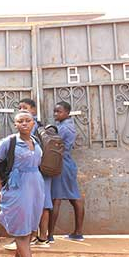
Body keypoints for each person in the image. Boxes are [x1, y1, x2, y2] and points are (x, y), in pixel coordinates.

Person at [0, 111, 44, 257]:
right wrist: (1, 187)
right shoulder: (9, 142)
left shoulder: (36, 141)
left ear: (34, 123)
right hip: (17, 189)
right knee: (21, 232)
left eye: (28, 121)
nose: (25, 124)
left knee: (32, 230)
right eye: (20, 121)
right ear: (15, 124)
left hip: (36, 187)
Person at [14, 98, 52, 249]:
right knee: (38, 203)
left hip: (38, 171)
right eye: (19, 108)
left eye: (25, 108)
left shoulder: (32, 127)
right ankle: (37, 237)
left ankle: (39, 237)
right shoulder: (32, 127)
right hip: (36, 170)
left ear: (34, 111)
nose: (22, 110)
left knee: (40, 204)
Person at [50, 101, 85, 241]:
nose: (55, 114)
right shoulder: (64, 126)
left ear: (67, 113)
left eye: (59, 111)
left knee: (56, 199)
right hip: (66, 164)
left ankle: (49, 235)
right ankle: (78, 232)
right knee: (73, 197)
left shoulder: (64, 128)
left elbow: (56, 146)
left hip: (62, 164)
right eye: (55, 111)